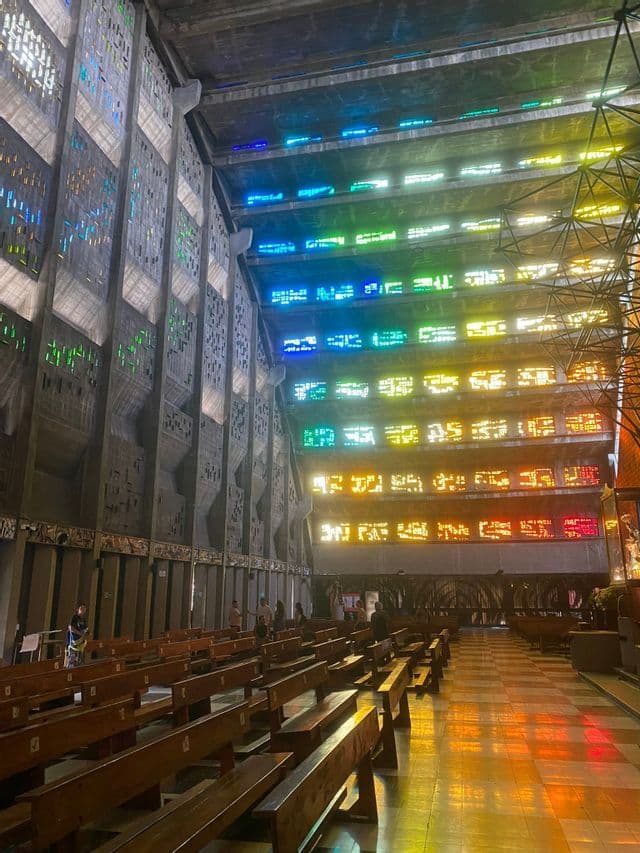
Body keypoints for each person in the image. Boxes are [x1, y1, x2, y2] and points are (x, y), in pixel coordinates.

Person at [66, 604, 88, 668]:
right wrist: (79, 633)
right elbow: (70, 627)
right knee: (72, 657)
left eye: (84, 609)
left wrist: (87, 633)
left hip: (80, 641)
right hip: (73, 640)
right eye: (81, 608)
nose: (83, 610)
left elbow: (85, 629)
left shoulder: (83, 619)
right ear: (78, 609)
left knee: (80, 658)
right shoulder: (74, 617)